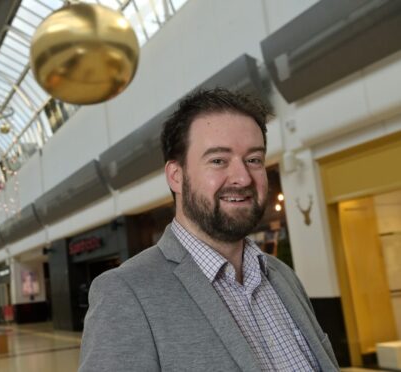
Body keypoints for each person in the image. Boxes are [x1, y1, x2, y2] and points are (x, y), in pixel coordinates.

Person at [79, 88, 339, 371]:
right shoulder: (124, 294)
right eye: (218, 160)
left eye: (253, 160)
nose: (242, 178)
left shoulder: (284, 278)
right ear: (176, 176)